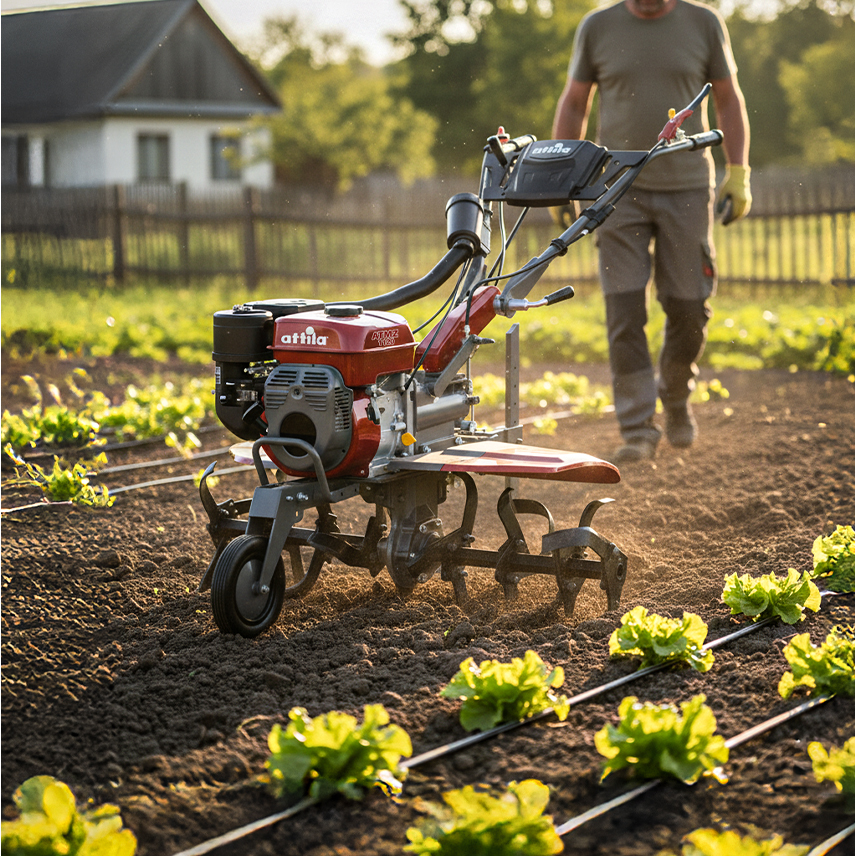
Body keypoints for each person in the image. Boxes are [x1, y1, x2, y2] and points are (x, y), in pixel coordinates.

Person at [552, 0, 751, 463]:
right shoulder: (597, 27)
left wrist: (739, 172)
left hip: (686, 187)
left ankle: (676, 395)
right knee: (624, 309)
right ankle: (637, 426)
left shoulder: (703, 23)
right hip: (617, 188)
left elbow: (728, 98)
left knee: (687, 307)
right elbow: (575, 102)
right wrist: (564, 180)